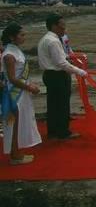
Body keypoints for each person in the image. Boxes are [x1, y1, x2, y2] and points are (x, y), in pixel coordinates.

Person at [37, 14, 87, 139]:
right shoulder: (53, 41)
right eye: (62, 26)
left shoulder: (46, 39)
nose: (64, 29)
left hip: (50, 75)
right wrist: (80, 71)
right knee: (62, 104)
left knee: (53, 104)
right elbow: (61, 62)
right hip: (57, 75)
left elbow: (66, 54)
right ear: (54, 26)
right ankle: (63, 132)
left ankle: (53, 130)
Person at [1, 23, 42, 165]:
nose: (24, 37)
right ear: (12, 37)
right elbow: (12, 78)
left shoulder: (14, 50)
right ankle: (15, 156)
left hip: (21, 92)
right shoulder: (9, 55)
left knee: (20, 123)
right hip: (15, 94)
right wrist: (30, 88)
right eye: (21, 35)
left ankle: (17, 152)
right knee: (14, 125)